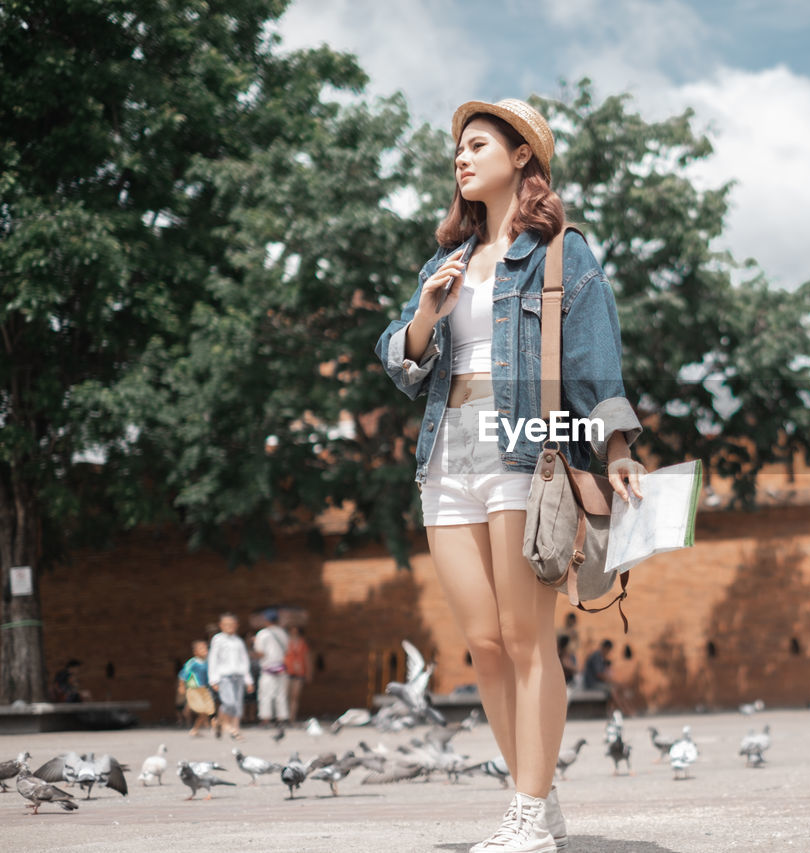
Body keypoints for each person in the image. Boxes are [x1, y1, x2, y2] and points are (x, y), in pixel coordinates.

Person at [376, 98, 645, 853]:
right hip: (444, 456)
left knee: (528, 640)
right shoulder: (445, 264)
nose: (462, 159)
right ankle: (539, 793)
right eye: (457, 149)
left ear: (523, 156)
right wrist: (428, 312)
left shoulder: (564, 253)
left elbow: (595, 360)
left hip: (525, 448)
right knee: (484, 642)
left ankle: (526, 814)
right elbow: (400, 359)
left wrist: (616, 446)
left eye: (478, 145)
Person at [207, 612, 254, 741]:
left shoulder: (238, 641)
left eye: (232, 625)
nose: (230, 627)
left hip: (238, 676)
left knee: (238, 704)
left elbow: (244, 661)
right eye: (226, 624)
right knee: (229, 702)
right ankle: (224, 723)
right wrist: (213, 679)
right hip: (224, 676)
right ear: (221, 625)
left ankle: (235, 729)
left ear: (236, 625)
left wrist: (248, 679)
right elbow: (213, 659)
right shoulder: (218, 639)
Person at [253, 609, 290, 726]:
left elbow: (260, 653)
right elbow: (287, 650)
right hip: (280, 667)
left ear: (266, 620)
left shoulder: (263, 634)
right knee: (281, 695)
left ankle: (265, 718)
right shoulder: (283, 633)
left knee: (265, 694)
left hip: (267, 668)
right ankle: (281, 718)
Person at [582, 638, 633, 717]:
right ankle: (623, 711)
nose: (608, 653)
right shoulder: (596, 657)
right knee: (612, 690)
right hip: (592, 684)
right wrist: (611, 681)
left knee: (617, 688)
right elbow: (599, 674)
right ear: (606, 648)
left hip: (599, 683)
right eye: (608, 650)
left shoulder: (601, 658)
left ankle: (619, 710)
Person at [178, 640, 215, 736]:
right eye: (201, 649)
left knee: (209, 709)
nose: (204, 650)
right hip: (194, 689)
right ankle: (213, 724)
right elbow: (183, 674)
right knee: (202, 709)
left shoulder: (207, 662)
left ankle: (195, 729)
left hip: (204, 689)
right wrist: (181, 685)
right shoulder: (192, 662)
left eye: (205, 648)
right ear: (195, 652)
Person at [284, 624, 313, 724]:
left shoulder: (303, 643)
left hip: (299, 672)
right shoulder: (286, 642)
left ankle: (292, 717)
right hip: (288, 671)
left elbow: (307, 658)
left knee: (295, 696)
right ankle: (285, 716)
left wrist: (309, 672)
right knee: (286, 695)